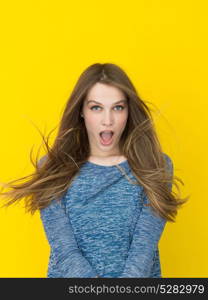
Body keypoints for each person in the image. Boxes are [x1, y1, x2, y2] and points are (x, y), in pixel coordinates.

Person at [0, 63, 189, 278]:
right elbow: (66, 252)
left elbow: (142, 252)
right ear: (81, 110)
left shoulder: (156, 167)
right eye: (96, 107)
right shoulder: (52, 169)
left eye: (117, 107)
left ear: (128, 111)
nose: (107, 120)